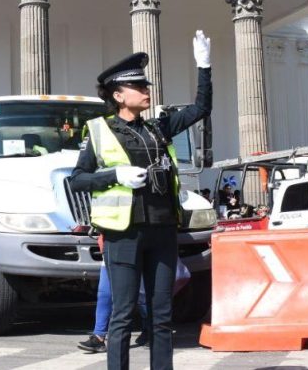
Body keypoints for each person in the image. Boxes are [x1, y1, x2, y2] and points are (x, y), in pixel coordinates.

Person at [69, 31, 213, 370]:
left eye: (146, 86)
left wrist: (204, 66)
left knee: (162, 316)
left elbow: (201, 108)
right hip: (124, 234)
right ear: (119, 95)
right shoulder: (100, 131)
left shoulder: (158, 129)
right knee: (122, 314)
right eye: (139, 87)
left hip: (162, 230)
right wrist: (114, 176)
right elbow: (78, 180)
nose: (146, 90)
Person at [78, 234, 150, 354]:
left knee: (142, 294)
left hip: (138, 242)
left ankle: (150, 329)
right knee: (105, 293)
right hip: (113, 243)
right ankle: (98, 337)